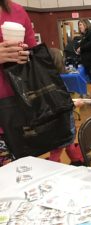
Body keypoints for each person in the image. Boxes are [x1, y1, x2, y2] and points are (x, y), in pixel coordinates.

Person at [0, 0, 36, 160]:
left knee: (22, 165)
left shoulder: (17, 10)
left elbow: (33, 52)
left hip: (15, 100)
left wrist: (26, 55)